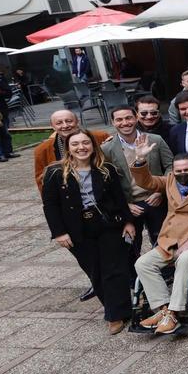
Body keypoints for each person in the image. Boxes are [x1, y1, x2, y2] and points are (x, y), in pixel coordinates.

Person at [41, 131, 135, 333]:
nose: (81, 147)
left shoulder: (106, 169)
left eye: (85, 143)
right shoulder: (55, 173)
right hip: (77, 229)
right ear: (68, 148)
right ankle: (116, 308)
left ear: (93, 146)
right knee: (96, 271)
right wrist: (59, 233)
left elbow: (119, 197)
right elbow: (50, 206)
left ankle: (115, 315)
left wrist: (128, 221)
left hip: (108, 224)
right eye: (75, 144)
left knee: (114, 269)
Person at [128, 140, 188, 336]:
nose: (182, 174)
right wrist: (140, 158)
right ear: (173, 171)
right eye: (178, 170)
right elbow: (146, 182)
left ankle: (176, 312)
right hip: (171, 238)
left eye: (187, 169)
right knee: (142, 263)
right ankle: (163, 310)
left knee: (184, 259)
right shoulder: (169, 180)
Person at [102, 105, 171, 249]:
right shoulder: (107, 149)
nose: (125, 123)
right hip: (130, 204)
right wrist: (124, 205)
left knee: (163, 243)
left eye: (128, 118)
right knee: (131, 246)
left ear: (136, 118)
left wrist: (161, 191)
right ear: (113, 122)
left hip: (156, 199)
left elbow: (170, 166)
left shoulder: (155, 140)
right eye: (119, 120)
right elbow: (106, 181)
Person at [35, 109, 111, 192]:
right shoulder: (42, 150)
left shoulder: (101, 137)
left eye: (69, 121)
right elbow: (41, 181)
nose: (65, 125)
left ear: (77, 122)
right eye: (59, 123)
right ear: (53, 126)